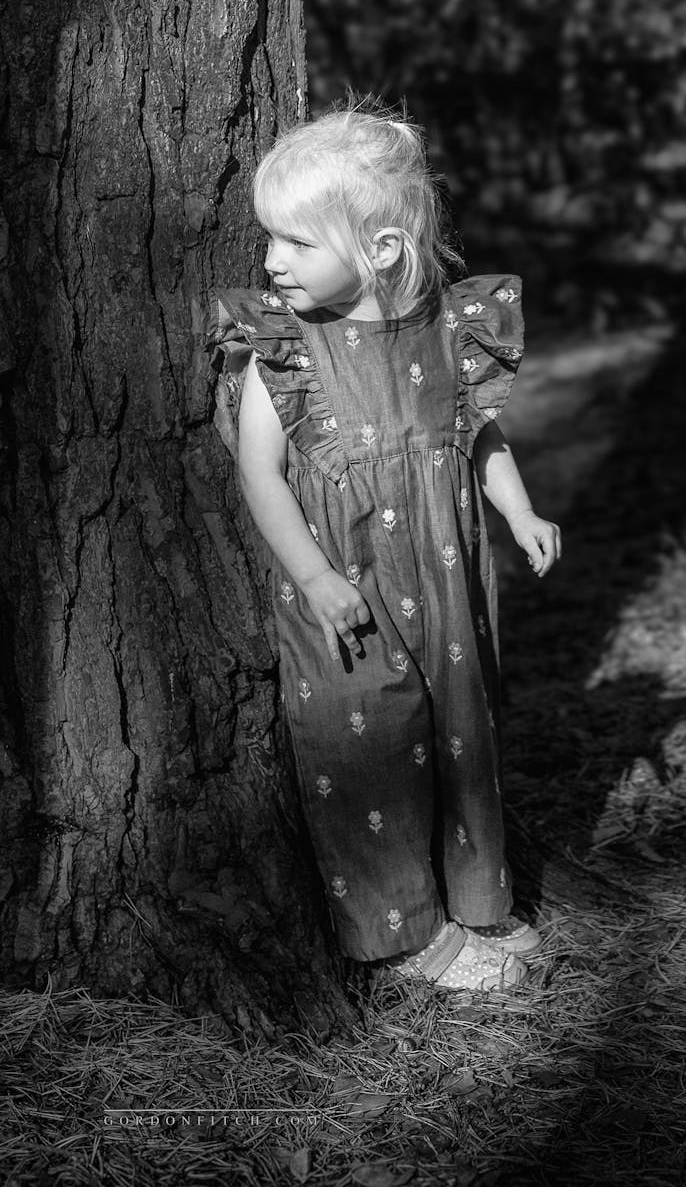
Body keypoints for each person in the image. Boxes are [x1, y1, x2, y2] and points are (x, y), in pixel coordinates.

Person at [208, 102, 561, 990]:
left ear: (384, 249)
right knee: (367, 742)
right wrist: (315, 575)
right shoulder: (281, 351)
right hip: (348, 589)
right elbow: (263, 475)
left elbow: (478, 436)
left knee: (460, 728)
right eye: (269, 238)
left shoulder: (449, 330)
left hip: (445, 574)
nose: (270, 260)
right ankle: (405, 935)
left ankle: (478, 898)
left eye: (295, 241)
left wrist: (518, 514)